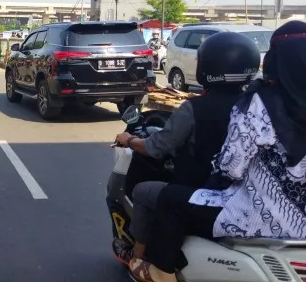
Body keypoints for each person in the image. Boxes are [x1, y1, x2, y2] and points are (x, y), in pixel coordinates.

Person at [131, 21, 306, 282]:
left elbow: (231, 168)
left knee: (170, 200)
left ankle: (160, 271)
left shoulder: (258, 103)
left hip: (258, 218)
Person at [113, 32, 260, 265]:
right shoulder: (259, 105)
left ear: (207, 69)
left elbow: (156, 147)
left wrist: (129, 140)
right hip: (246, 195)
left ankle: (138, 259)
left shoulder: (195, 108)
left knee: (142, 191)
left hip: (203, 192)